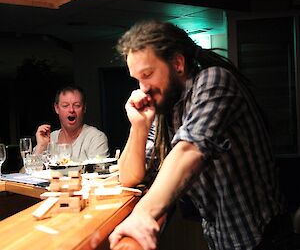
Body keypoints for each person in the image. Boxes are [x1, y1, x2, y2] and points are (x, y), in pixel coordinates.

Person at [109, 20, 293, 250]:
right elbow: (129, 178)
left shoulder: (213, 81)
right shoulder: (166, 107)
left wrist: (142, 214)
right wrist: (139, 126)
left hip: (265, 239)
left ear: (177, 63)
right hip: (222, 241)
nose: (142, 87)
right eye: (137, 79)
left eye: (147, 74)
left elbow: (189, 150)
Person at [35, 85, 109, 161]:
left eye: (77, 105)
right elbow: (24, 172)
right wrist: (41, 147)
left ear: (84, 108)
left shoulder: (95, 138)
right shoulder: (50, 138)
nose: (71, 110)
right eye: (65, 106)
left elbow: (99, 170)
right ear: (57, 108)